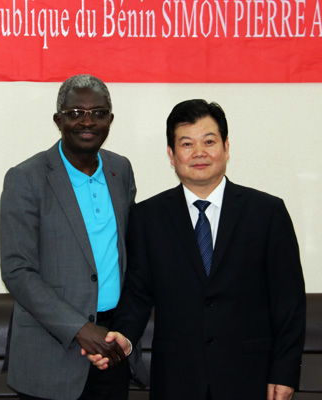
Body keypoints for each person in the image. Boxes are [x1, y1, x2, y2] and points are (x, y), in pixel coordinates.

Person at [89, 99, 306, 400]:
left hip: (250, 376)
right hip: (177, 377)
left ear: (226, 147)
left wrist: (284, 372)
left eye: (209, 141)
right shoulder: (148, 217)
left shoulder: (267, 213)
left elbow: (289, 301)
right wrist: (124, 336)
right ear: (171, 154)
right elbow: (138, 292)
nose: (199, 152)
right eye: (187, 144)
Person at [0, 74, 144, 400]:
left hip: (111, 345)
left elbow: (128, 257)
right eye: (76, 112)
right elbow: (17, 270)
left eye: (98, 113)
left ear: (110, 120)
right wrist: (80, 329)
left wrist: (121, 331)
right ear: (58, 120)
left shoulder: (120, 170)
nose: (87, 122)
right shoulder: (26, 178)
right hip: (51, 350)